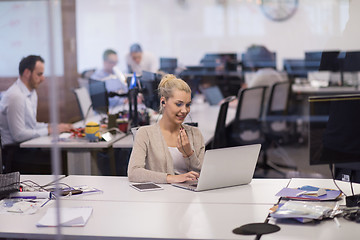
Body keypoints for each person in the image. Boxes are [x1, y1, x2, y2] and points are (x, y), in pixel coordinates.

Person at [0, 55, 73, 173]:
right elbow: (18, 135)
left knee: (62, 154)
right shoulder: (15, 96)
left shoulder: (31, 92)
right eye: (39, 74)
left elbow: (31, 125)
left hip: (26, 148)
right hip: (15, 154)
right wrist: (49, 130)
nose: (43, 78)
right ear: (27, 73)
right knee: (62, 158)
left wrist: (52, 126)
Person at [128, 74, 205, 183]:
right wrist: (171, 178)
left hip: (190, 196)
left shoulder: (195, 134)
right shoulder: (145, 133)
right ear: (163, 102)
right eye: (179, 104)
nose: (184, 110)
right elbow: (134, 173)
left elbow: (202, 174)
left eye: (188, 105)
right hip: (160, 197)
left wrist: (189, 154)